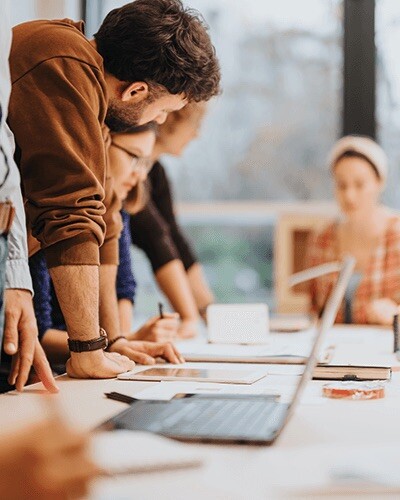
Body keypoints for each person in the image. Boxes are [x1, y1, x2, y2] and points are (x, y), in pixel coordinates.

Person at [8, 0, 220, 379]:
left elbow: (102, 216)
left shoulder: (97, 110)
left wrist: (112, 340)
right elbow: (71, 209)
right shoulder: (63, 58)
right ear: (136, 91)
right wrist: (87, 349)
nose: (161, 121)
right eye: (164, 110)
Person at [30, 125, 183, 367]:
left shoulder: (117, 212)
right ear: (101, 146)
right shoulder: (56, 210)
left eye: (146, 164)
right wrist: (114, 342)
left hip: (85, 353)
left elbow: (123, 287)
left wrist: (119, 341)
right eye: (134, 157)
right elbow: (38, 332)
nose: (141, 175)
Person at [129, 103, 215, 339]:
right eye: (195, 124)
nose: (197, 134)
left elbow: (173, 238)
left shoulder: (155, 173)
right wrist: (189, 317)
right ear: (169, 119)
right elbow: (155, 238)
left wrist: (209, 311)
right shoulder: (128, 173)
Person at [307, 135, 400, 325]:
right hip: (334, 350)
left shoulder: (397, 235)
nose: (349, 196)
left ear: (379, 182)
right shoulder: (322, 239)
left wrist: (394, 316)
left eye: (359, 184)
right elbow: (314, 310)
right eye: (341, 185)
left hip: (382, 351)